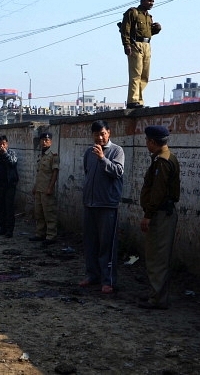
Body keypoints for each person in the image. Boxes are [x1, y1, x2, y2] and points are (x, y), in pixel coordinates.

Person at [79, 120, 125, 294]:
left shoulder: (117, 151)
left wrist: (102, 159)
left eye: (103, 134)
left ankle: (108, 280)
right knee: (91, 243)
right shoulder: (88, 153)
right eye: (96, 134)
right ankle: (92, 275)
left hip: (107, 205)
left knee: (107, 245)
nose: (100, 137)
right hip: (90, 204)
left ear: (109, 133)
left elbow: (118, 172)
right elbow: (87, 173)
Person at [138, 125, 180, 310]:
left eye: (147, 141)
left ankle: (158, 298)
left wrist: (148, 214)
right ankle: (156, 294)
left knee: (158, 257)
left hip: (161, 214)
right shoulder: (164, 158)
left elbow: (158, 192)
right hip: (162, 213)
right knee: (156, 256)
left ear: (153, 142)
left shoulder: (162, 162)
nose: (146, 144)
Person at [121, 0, 162, 109]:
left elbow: (148, 33)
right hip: (136, 44)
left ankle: (139, 100)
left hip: (147, 45)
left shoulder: (148, 17)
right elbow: (126, 29)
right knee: (136, 73)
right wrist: (126, 45)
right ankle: (132, 101)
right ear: (142, 0)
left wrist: (156, 29)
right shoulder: (133, 12)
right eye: (149, 1)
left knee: (145, 75)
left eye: (153, 1)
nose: (151, 3)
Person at [30, 132, 60, 242]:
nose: (44, 142)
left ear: (50, 141)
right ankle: (40, 234)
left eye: (46, 140)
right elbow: (39, 173)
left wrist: (50, 188)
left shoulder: (53, 155)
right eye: (42, 140)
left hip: (47, 189)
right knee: (38, 213)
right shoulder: (41, 155)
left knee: (49, 213)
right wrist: (35, 187)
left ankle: (51, 236)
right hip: (39, 189)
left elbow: (55, 172)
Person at [0, 135, 19, 238]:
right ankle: (2, 228)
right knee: (0, 207)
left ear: (7, 144)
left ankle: (10, 230)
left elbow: (13, 163)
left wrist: (5, 153)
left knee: (9, 208)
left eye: (4, 144)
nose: (2, 146)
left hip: (9, 185)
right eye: (0, 144)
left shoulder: (11, 153)